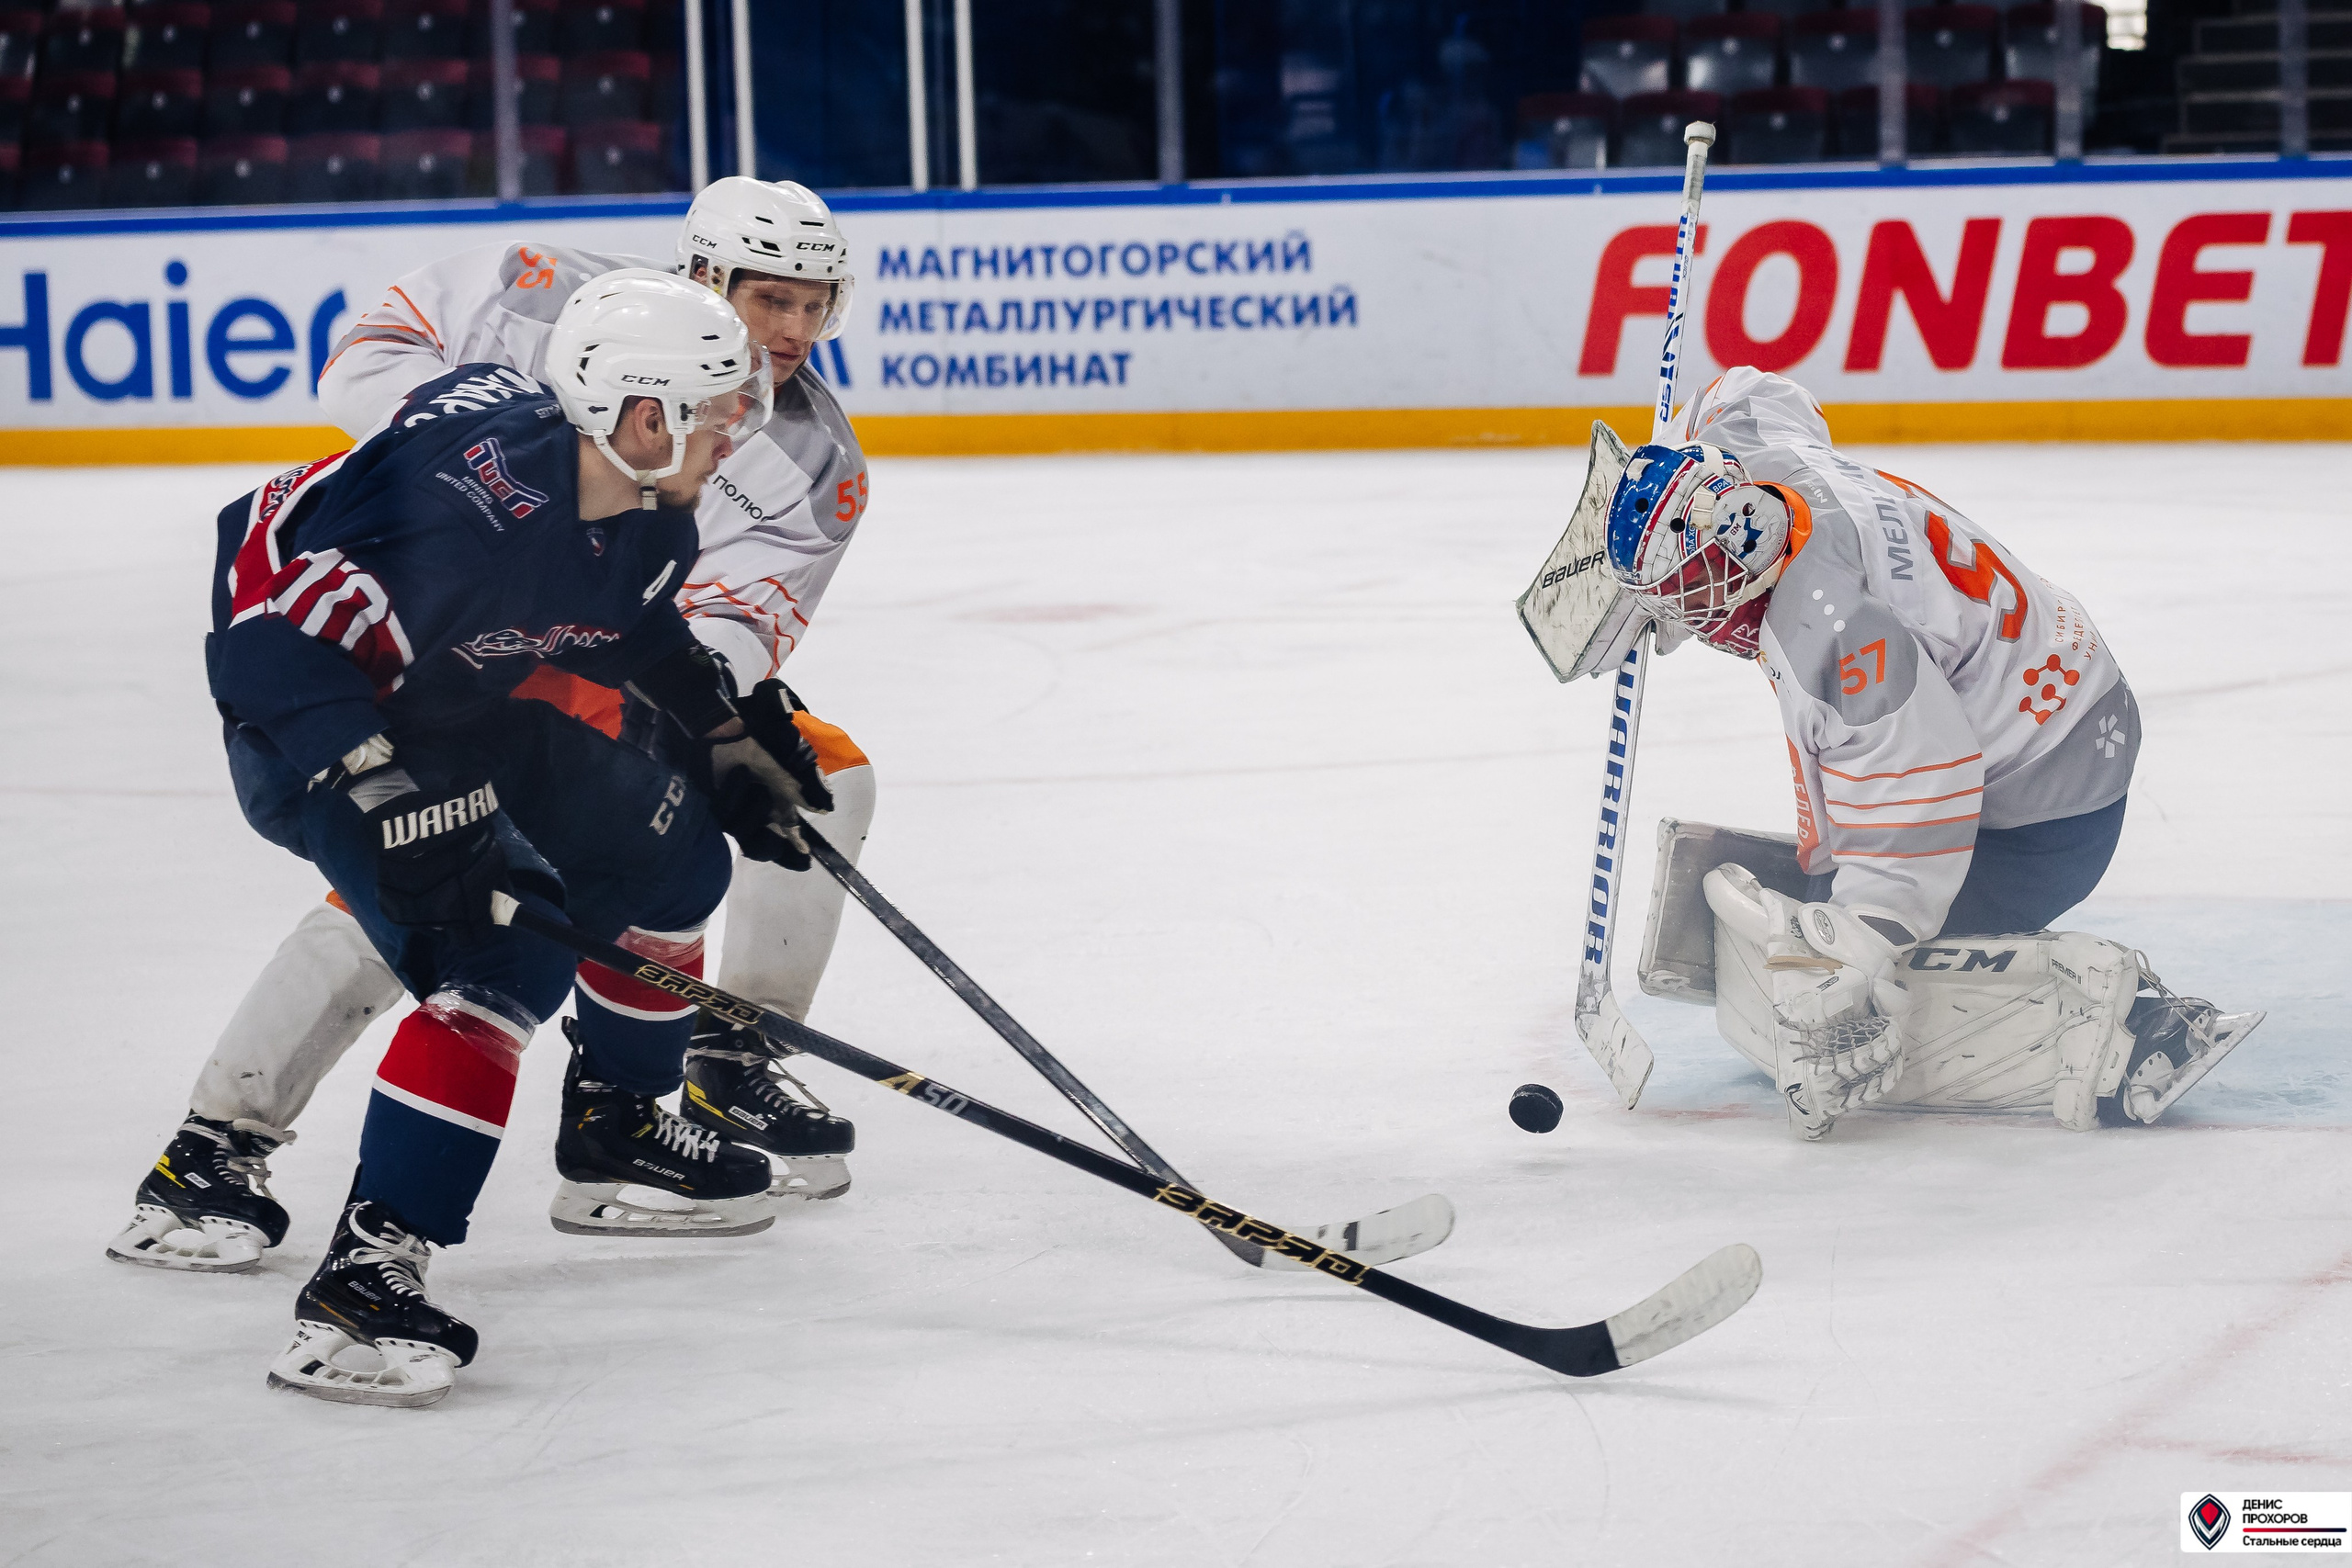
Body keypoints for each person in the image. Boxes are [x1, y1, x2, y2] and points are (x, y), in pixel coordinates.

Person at [107, 180, 873, 1272]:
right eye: (770, 298)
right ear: (705, 282)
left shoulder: (790, 466)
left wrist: (720, 723)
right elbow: (371, 390)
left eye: (814, 302)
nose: (794, 329)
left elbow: (706, 618)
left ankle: (656, 1099)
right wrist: (483, 495)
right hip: (411, 645)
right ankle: (222, 1142)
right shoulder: (550, 308)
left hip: (564, 644)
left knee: (697, 834)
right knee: (457, 885)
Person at [211, 271, 831, 1405]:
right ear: (645, 417)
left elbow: (634, 628)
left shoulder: (650, 508)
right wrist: (382, 790)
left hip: (456, 699)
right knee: (504, 954)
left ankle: (615, 1132)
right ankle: (360, 1288)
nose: (735, 432)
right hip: (310, 729)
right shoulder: (454, 515)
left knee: (674, 852)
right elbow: (267, 649)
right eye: (717, 411)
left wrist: (723, 739)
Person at [1605, 367, 2146, 1138]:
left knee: (1886, 956)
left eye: (1690, 597)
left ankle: (2117, 1024)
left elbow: (1921, 785)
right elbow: (1749, 394)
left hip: (2051, 813)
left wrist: (1856, 942)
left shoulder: (1828, 628)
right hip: (2062, 682)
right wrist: (1666, 476)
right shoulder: (1761, 461)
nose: (1695, 623)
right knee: (1828, 883)